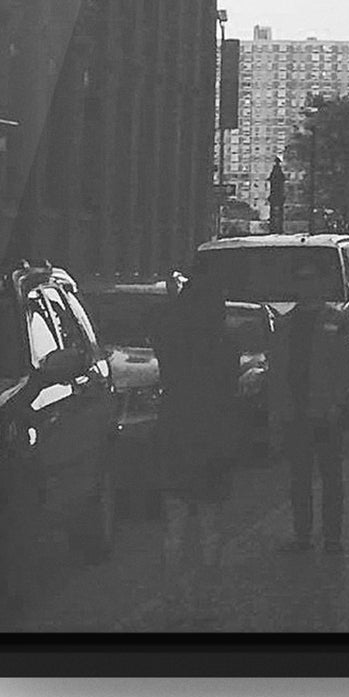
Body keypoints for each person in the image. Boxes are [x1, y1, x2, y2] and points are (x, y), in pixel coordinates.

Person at [152, 266, 239, 626]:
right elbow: (230, 391)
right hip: (212, 438)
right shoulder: (225, 345)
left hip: (175, 433)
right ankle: (205, 596)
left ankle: (171, 593)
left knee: (174, 525)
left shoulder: (171, 340)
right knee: (209, 524)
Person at [270, 259, 349, 554]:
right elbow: (279, 369)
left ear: (319, 284)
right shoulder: (286, 324)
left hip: (325, 412)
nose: (305, 286)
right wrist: (279, 411)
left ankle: (332, 537)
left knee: (331, 479)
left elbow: (345, 365)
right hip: (297, 412)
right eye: (301, 280)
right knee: (299, 480)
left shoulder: (336, 320)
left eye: (310, 280)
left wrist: (338, 403)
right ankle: (303, 535)